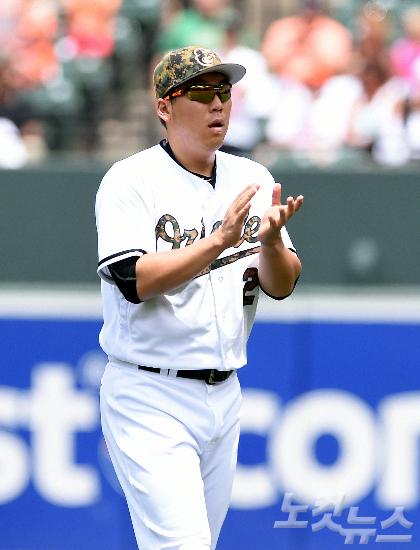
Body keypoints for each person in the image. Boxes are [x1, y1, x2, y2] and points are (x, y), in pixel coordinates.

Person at [95, 45, 303, 550]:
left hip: (224, 392)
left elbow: (281, 285)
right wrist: (218, 242)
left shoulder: (252, 178)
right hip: (149, 391)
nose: (217, 104)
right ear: (164, 107)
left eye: (224, 92)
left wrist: (273, 244)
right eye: (201, 92)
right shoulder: (130, 179)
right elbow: (132, 279)